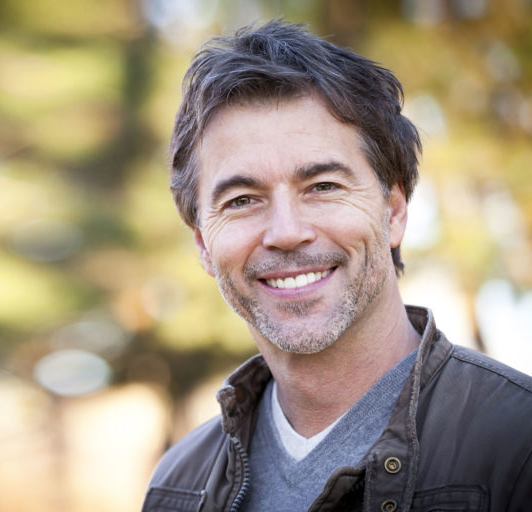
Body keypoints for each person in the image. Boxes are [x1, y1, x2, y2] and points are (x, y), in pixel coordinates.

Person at [142, 20, 532, 512]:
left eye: (323, 186)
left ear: (393, 213)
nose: (285, 232)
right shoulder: (179, 486)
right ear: (202, 244)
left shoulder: (518, 445)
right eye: (242, 200)